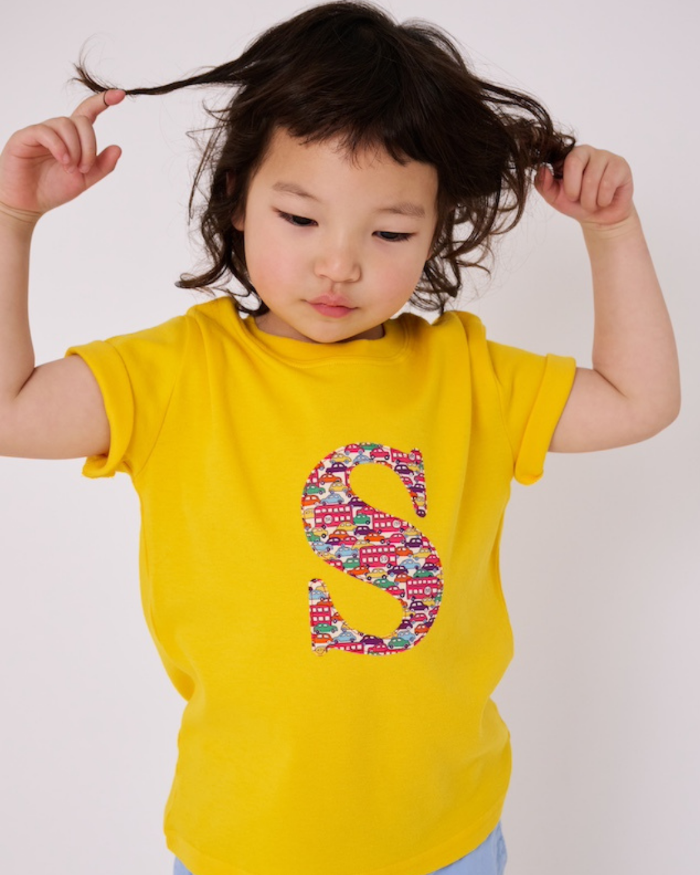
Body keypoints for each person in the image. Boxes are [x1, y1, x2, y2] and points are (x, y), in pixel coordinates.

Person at [0, 2, 680, 874]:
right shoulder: (174, 373)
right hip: (245, 845)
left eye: (390, 232)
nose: (340, 263)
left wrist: (612, 232)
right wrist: (13, 220)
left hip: (447, 840)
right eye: (300, 218)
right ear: (237, 198)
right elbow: (12, 409)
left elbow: (638, 399)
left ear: (436, 229)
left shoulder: (467, 373)